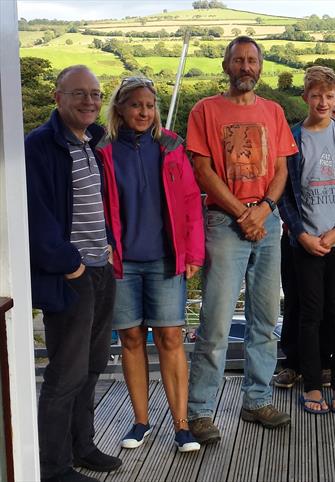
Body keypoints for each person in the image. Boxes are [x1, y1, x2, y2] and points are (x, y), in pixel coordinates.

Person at [186, 36, 297, 443]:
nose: (246, 67)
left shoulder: (274, 111)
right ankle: (199, 411)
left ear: (260, 67)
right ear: (226, 66)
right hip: (224, 222)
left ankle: (256, 401)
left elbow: (282, 170)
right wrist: (241, 213)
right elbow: (201, 169)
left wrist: (263, 210)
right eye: (239, 60)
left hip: (267, 223)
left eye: (252, 60)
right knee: (214, 323)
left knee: (265, 322)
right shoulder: (205, 110)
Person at [95, 76, 204, 453]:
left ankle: (182, 426)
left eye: (150, 105)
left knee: (171, 338)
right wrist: (103, 247)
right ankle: (141, 422)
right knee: (131, 339)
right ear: (120, 108)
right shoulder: (103, 150)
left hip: (166, 258)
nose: (144, 111)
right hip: (121, 263)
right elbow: (94, 205)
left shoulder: (171, 146)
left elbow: (191, 202)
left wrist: (194, 254)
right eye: (136, 105)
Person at [26, 65, 122, 482]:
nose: (89, 101)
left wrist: (108, 251)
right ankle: (53, 467)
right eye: (79, 93)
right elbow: (36, 217)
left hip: (101, 270)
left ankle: (83, 445)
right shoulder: (40, 147)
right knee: (65, 373)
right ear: (58, 97)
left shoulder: (92, 143)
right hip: (72, 277)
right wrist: (71, 266)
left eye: (96, 94)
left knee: (94, 363)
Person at [279, 66, 335, 414]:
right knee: (309, 313)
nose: (322, 101)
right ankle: (313, 384)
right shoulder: (290, 138)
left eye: (329, 96)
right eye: (315, 95)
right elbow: (284, 195)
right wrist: (301, 234)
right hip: (304, 242)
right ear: (305, 97)